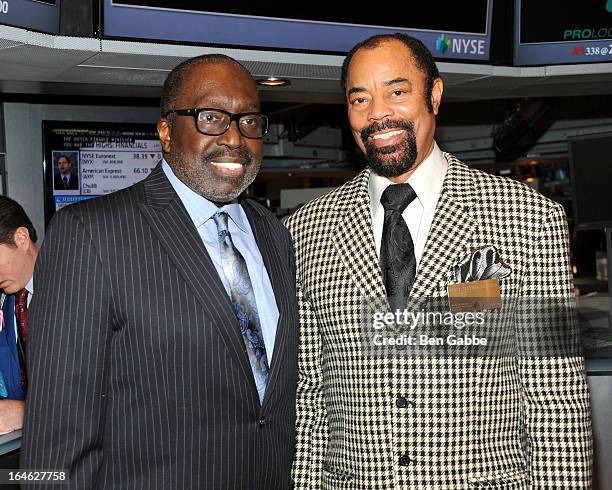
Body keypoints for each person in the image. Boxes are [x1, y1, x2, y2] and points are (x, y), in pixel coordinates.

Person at [285, 33, 592, 489]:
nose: (377, 113)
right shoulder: (306, 229)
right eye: (359, 98)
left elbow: (556, 396)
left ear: (434, 94)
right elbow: (307, 398)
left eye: (397, 91)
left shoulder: (527, 217)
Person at [22, 54, 298, 489]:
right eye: (211, 117)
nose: (234, 137)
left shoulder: (273, 235)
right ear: (166, 132)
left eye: (249, 121)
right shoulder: (90, 233)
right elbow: (55, 439)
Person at [0, 196, 38, 435]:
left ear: (21, 238)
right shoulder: (6, 299)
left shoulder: (80, 291)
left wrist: (26, 412)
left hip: (78, 464)